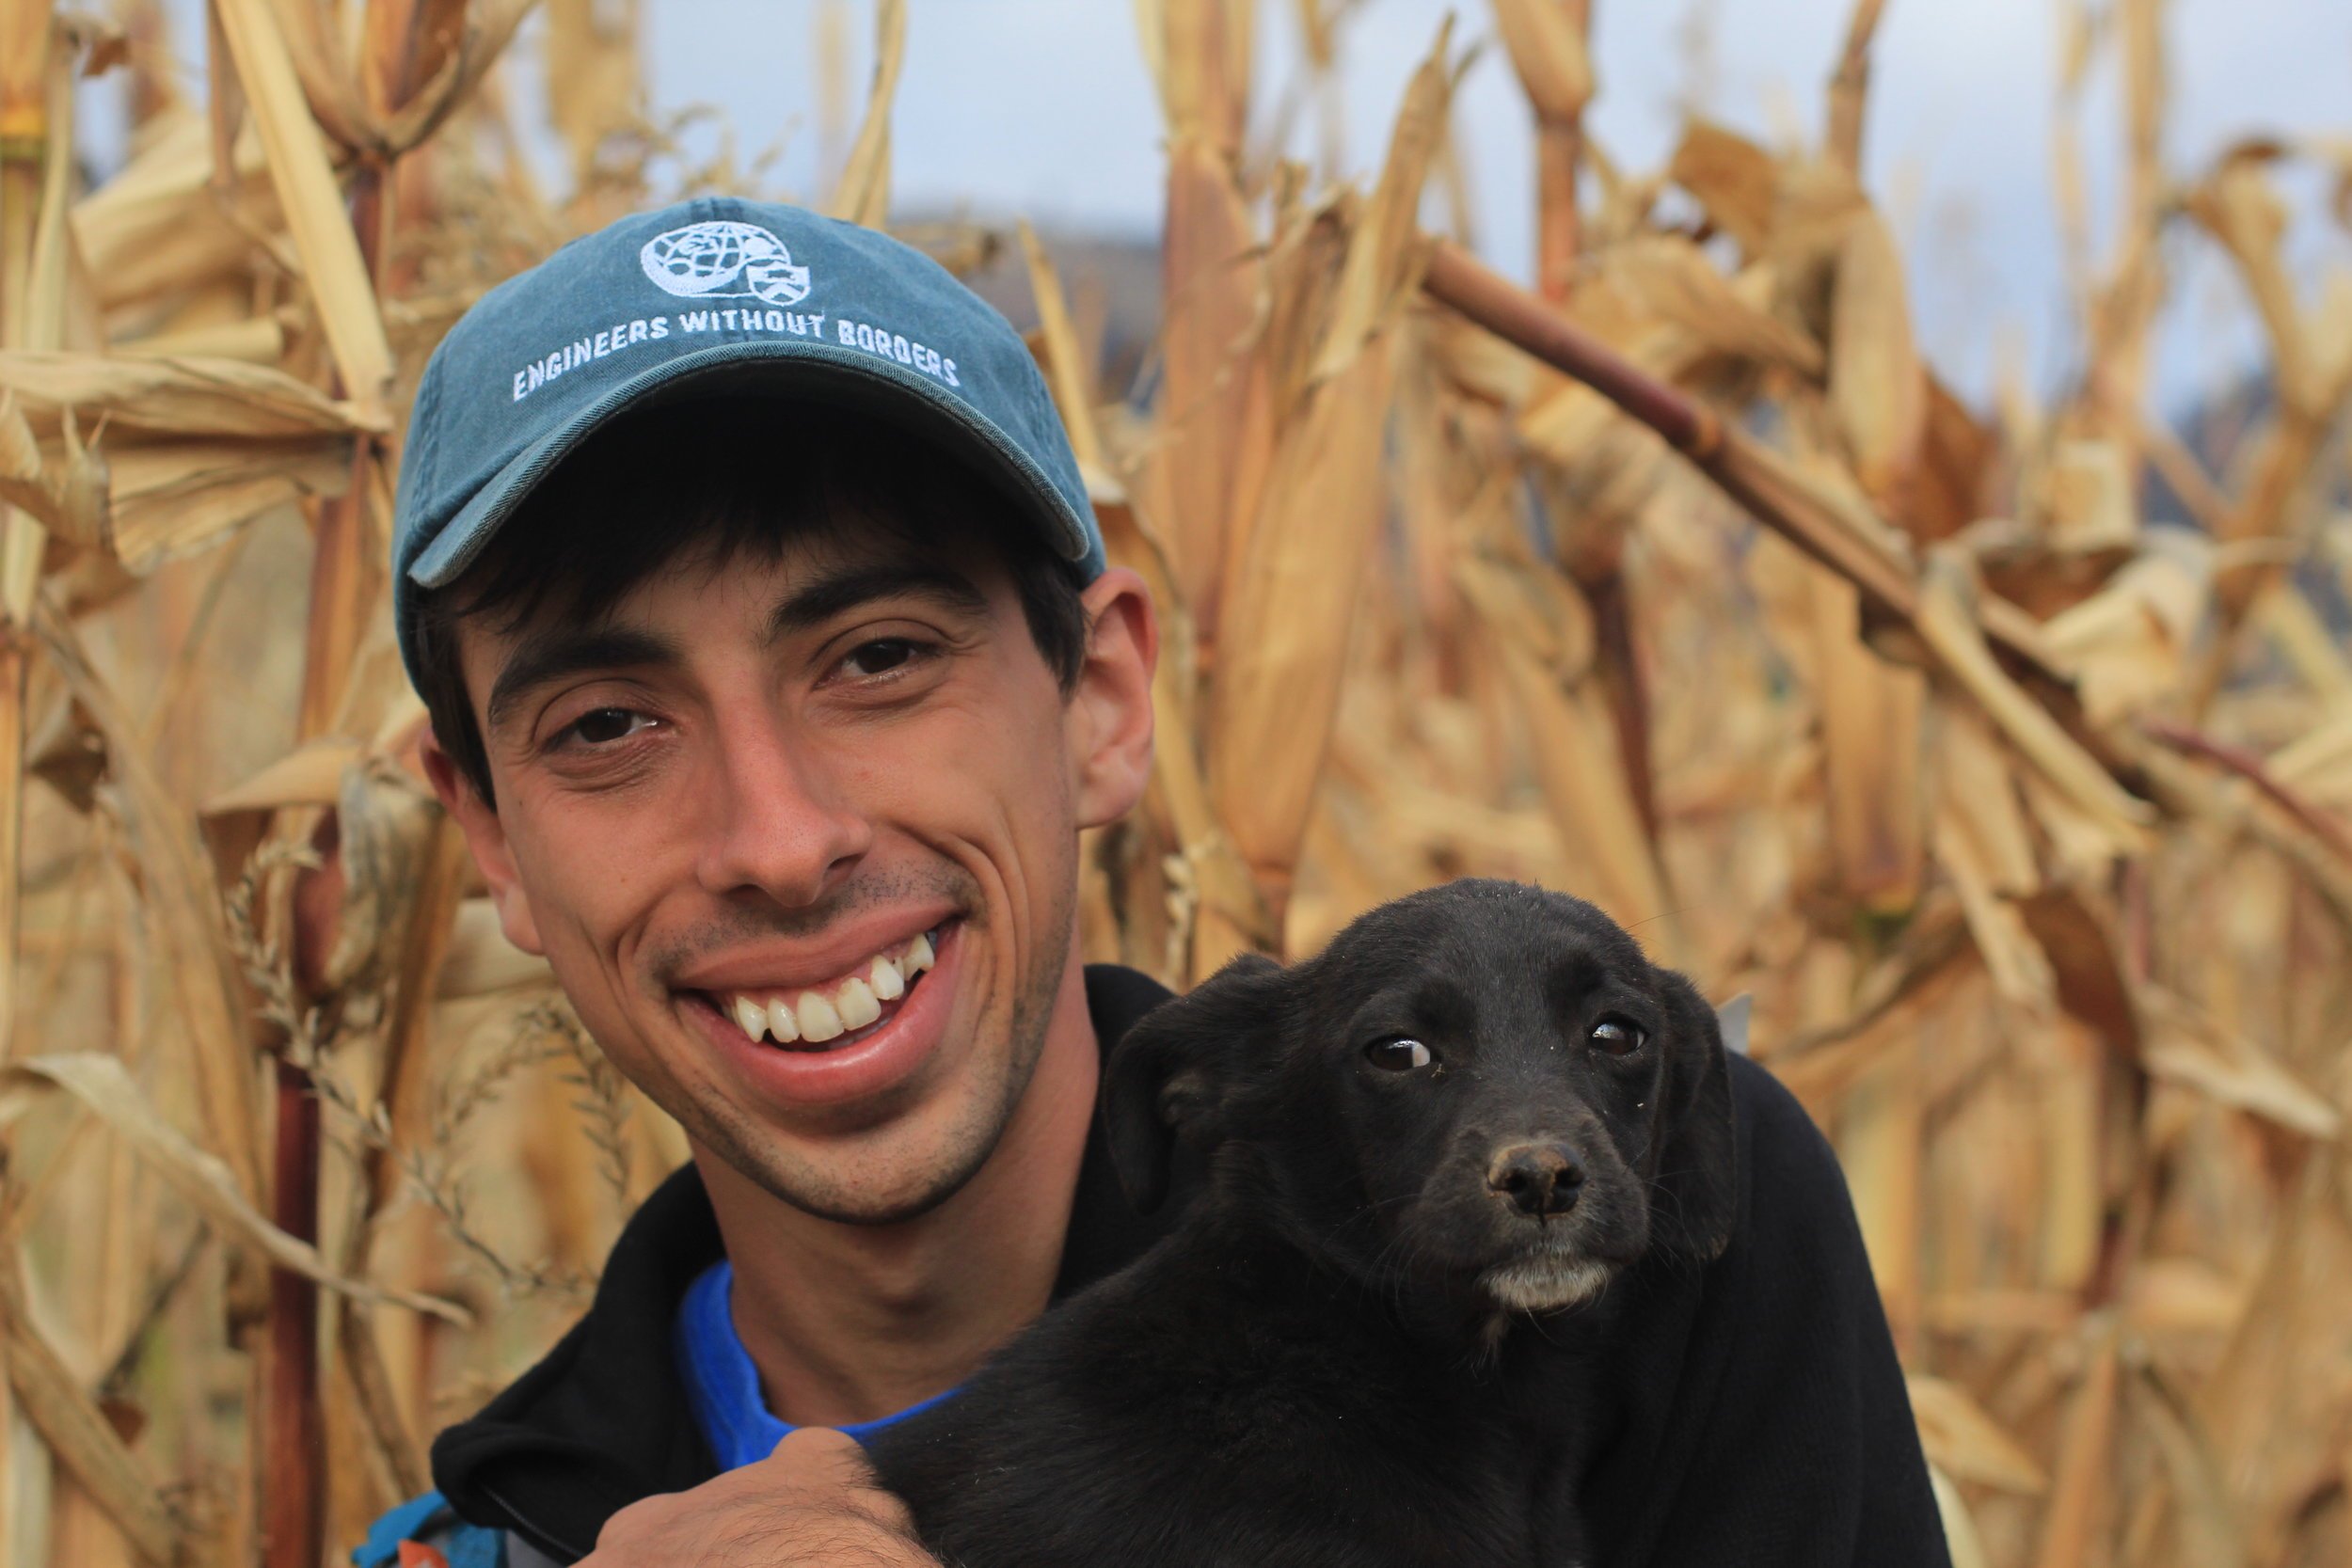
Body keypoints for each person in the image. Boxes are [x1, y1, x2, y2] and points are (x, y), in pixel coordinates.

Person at [357, 195, 1952, 1568]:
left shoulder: (1660, 1225)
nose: (776, 839)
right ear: (491, 834)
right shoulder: (502, 1542)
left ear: (1103, 705)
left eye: (882, 657)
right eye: (611, 725)